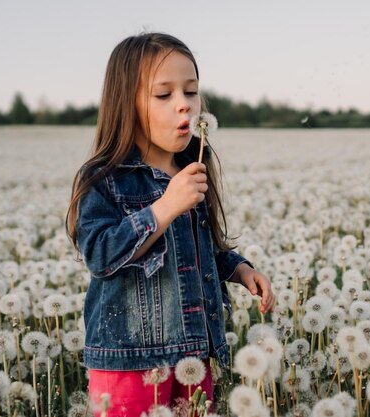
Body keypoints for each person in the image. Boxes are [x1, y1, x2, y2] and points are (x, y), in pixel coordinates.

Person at [65, 32, 275, 417]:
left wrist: (241, 269)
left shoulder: (192, 167)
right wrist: (164, 209)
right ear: (126, 105)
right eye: (164, 95)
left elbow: (200, 248)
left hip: (194, 357)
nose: (184, 106)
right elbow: (99, 255)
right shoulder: (106, 178)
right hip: (129, 364)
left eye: (191, 92)